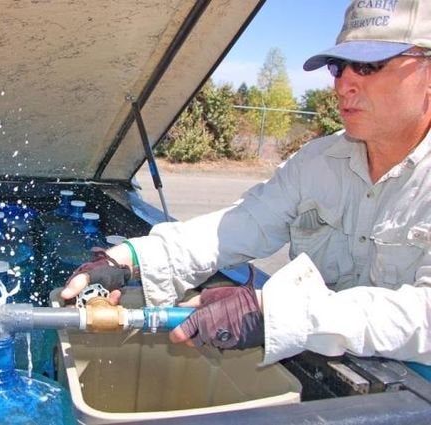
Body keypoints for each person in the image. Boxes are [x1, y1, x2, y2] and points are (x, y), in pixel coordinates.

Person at [61, 0, 431, 367]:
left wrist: (275, 309)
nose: (343, 83)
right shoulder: (318, 163)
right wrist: (127, 259)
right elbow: (240, 225)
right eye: (339, 66)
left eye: (369, 65)